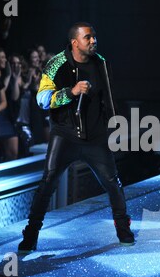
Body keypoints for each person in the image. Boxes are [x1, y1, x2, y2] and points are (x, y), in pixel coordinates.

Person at [18, 22, 135, 253]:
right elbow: (41, 99)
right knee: (47, 184)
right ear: (75, 42)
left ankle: (123, 229)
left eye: (94, 37)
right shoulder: (56, 64)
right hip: (65, 134)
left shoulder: (101, 63)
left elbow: (109, 98)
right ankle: (31, 234)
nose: (94, 41)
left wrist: (113, 125)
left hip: (95, 137)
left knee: (112, 183)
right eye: (88, 38)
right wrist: (69, 93)